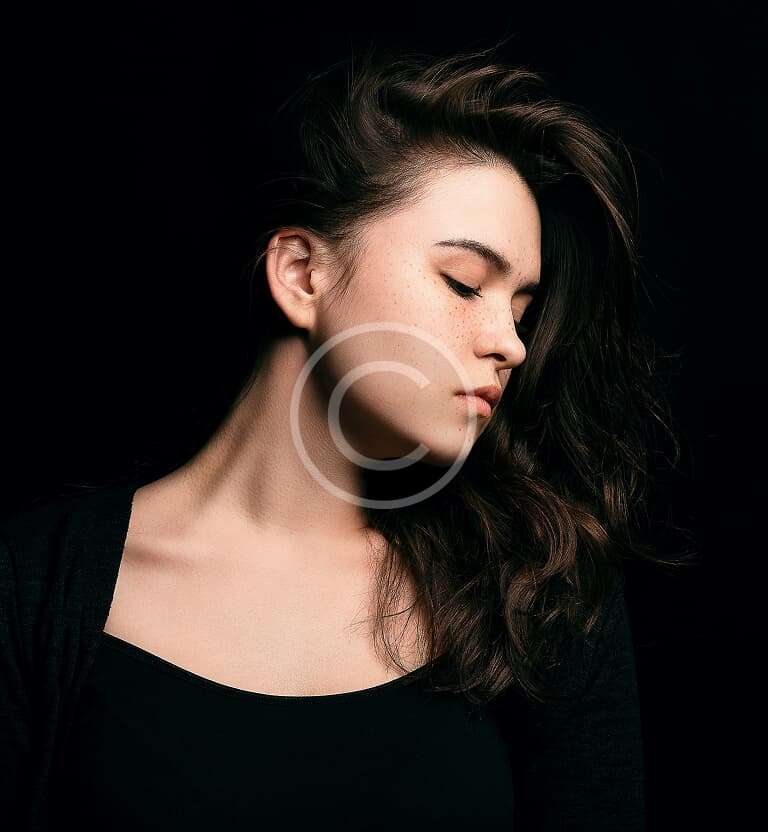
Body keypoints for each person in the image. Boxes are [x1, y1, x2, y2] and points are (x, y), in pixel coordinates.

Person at [0, 40, 686, 830]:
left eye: (521, 310)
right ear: (302, 274)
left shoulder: (537, 587)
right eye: (465, 283)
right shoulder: (33, 587)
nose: (510, 344)